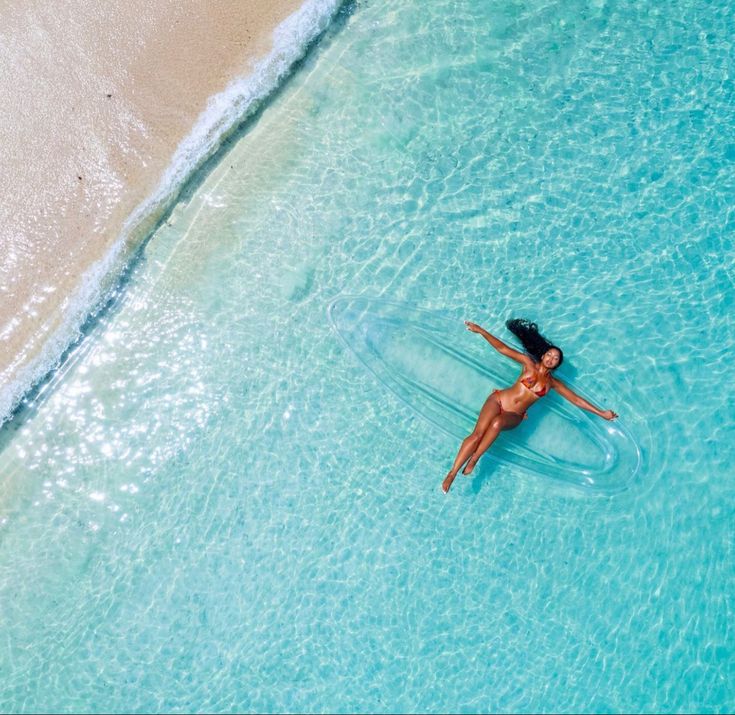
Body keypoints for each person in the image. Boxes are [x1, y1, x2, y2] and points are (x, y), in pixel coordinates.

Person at [442, 318, 618, 493]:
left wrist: (602, 413)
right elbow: (503, 348)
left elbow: (576, 399)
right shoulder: (528, 364)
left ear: (557, 364)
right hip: (498, 400)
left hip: (515, 415)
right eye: (549, 354)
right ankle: (452, 473)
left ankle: (475, 458)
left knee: (497, 423)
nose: (551, 358)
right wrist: (481, 330)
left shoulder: (553, 384)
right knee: (477, 434)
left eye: (555, 358)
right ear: (543, 355)